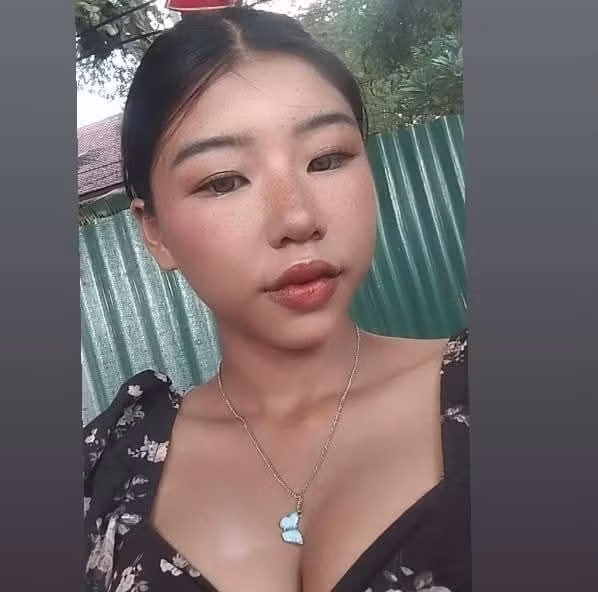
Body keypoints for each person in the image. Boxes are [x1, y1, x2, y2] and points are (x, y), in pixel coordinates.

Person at [83, 7, 469, 592]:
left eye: (327, 159)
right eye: (223, 181)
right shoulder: (103, 477)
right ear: (154, 233)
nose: (296, 219)